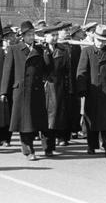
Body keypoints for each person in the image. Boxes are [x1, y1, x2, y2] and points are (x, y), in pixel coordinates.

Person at [1, 21, 51, 160]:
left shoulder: (40, 49)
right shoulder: (14, 49)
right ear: (22, 36)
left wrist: (47, 53)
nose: (31, 37)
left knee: (40, 121)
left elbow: (48, 70)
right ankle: (28, 151)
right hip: (21, 91)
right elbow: (7, 71)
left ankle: (48, 148)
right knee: (25, 123)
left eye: (33, 34)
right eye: (28, 34)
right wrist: (4, 91)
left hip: (37, 90)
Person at [76, 25, 106, 158]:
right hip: (93, 91)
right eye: (99, 40)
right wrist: (82, 89)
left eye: (103, 40)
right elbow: (82, 71)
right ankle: (91, 145)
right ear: (94, 38)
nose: (101, 43)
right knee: (91, 120)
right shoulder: (87, 51)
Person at [42, 22, 73, 156]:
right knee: (46, 117)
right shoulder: (40, 50)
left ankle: (52, 144)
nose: (54, 38)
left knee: (56, 116)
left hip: (59, 86)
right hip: (45, 86)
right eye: (52, 35)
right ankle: (47, 146)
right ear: (45, 37)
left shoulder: (62, 50)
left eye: (56, 35)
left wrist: (69, 87)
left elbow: (68, 70)